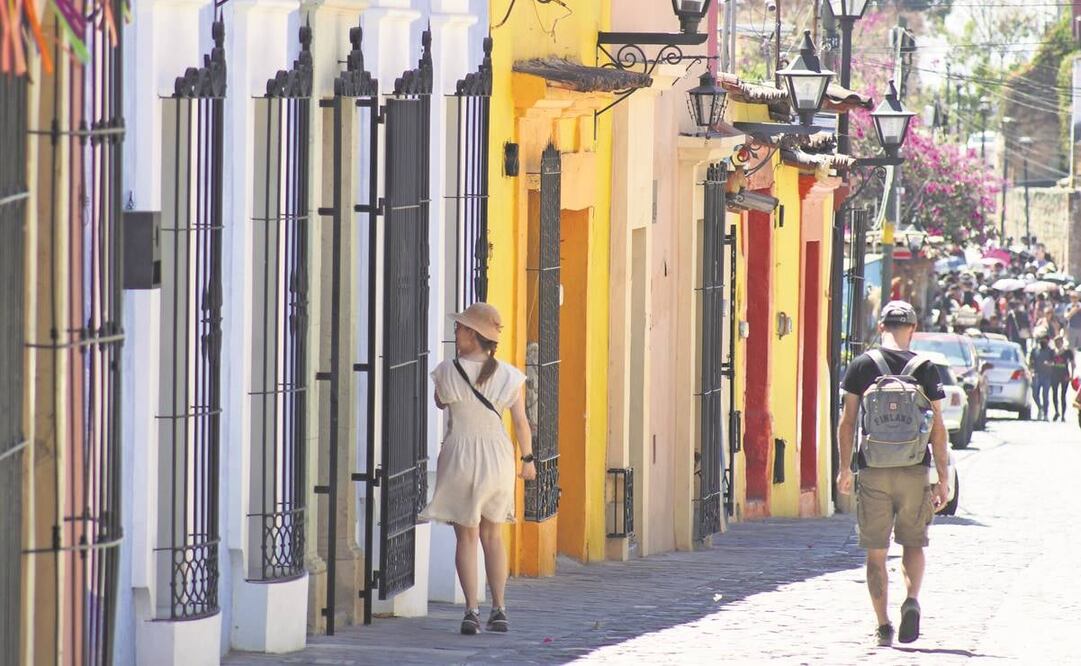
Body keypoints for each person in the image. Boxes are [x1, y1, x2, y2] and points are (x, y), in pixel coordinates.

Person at [838, 301, 950, 647]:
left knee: (875, 551)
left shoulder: (861, 366)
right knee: (913, 543)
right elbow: (939, 429)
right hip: (914, 470)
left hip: (873, 471)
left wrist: (844, 468)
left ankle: (883, 624)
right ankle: (912, 599)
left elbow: (847, 422)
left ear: (881, 326)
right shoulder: (925, 368)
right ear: (912, 329)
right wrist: (943, 477)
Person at [420, 302, 535, 635]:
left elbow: (441, 402)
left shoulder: (445, 371)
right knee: (493, 536)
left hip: (460, 455)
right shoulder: (511, 376)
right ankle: (499, 608)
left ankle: (471, 611)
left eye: (460, 328)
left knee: (466, 537)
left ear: (473, 334)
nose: (455, 332)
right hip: (498, 457)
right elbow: (521, 422)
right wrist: (527, 460)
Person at [1029, 334, 1055, 421]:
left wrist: (1049, 363)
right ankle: (1040, 408)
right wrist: (1032, 371)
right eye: (1041, 340)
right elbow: (1031, 362)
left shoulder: (1051, 351)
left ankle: (1046, 414)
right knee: (1035, 394)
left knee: (1045, 396)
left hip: (1047, 376)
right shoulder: (1035, 350)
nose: (1042, 342)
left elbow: (1054, 362)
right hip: (1037, 375)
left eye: (1044, 340)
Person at [1049, 336, 1074, 421]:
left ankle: (1063, 415)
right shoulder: (1052, 352)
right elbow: (1049, 361)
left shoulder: (1067, 352)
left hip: (1064, 375)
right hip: (1054, 375)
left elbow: (1073, 363)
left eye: (1059, 342)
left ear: (1062, 342)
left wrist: (1072, 375)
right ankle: (1056, 412)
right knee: (1054, 394)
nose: (1058, 344)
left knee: (1063, 395)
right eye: (1056, 342)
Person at [1065, 290, 1081, 359]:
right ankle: (1072, 360)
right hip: (1072, 328)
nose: (1073, 299)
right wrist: (1074, 310)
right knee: (1071, 347)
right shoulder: (1068, 306)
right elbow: (1066, 316)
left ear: (1078, 298)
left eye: (1075, 297)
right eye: (1071, 297)